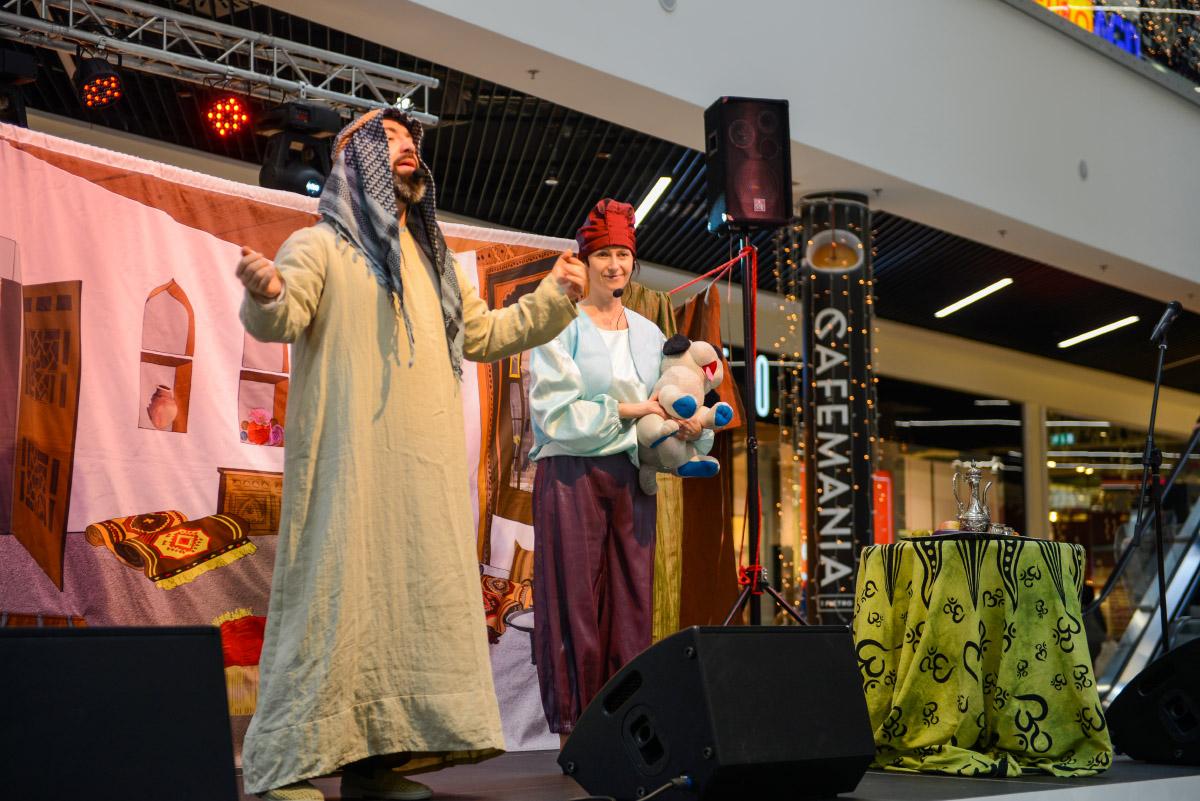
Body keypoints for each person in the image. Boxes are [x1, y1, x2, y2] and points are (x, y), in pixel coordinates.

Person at [235, 107, 586, 801]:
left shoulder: (435, 265)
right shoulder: (320, 246)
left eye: (409, 140)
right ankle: (286, 766)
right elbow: (285, 311)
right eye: (388, 139)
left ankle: (375, 766)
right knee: (330, 605)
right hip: (349, 470)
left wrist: (555, 297)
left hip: (422, 476)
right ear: (354, 160)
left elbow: (485, 334)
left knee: (403, 614)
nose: (407, 148)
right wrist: (267, 292)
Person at [527, 199, 712, 740]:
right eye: (603, 255)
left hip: (633, 472)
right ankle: (575, 728)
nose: (614, 265)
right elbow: (555, 414)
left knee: (633, 599)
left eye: (623, 255)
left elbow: (668, 394)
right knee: (575, 600)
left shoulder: (650, 332)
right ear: (584, 261)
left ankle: (626, 725)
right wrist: (632, 410)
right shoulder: (560, 324)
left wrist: (683, 422)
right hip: (572, 473)